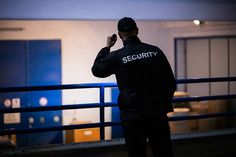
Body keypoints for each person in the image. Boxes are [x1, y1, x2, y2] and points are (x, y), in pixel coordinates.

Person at [92, 17, 176, 157]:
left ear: (119, 35)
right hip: (156, 113)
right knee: (163, 152)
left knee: (136, 153)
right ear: (137, 31)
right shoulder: (155, 51)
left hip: (133, 116)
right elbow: (170, 82)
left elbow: (97, 70)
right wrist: (162, 104)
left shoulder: (117, 56)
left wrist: (106, 48)